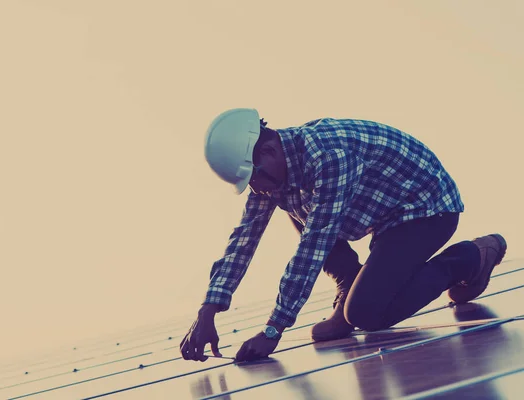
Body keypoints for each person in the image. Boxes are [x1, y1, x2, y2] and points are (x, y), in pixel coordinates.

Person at [179, 108, 507, 363]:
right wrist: (207, 312)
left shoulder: (328, 156)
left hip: (426, 210)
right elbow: (242, 243)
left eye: (252, 178)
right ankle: (349, 285)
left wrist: (272, 330)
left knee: (367, 314)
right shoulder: (270, 175)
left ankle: (471, 258)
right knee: (300, 208)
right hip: (383, 215)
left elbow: (313, 248)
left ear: (267, 151)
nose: (254, 188)